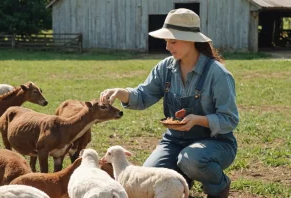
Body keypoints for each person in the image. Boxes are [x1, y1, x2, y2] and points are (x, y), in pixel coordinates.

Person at [99, 8, 238, 198]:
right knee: (149, 173)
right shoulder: (165, 68)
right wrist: (122, 93)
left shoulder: (218, 74)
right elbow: (142, 96)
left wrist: (198, 120)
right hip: (174, 140)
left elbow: (229, 119)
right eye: (166, 41)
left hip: (216, 142)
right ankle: (181, 179)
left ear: (191, 40)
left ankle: (219, 186)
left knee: (190, 159)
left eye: (173, 41)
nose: (167, 47)